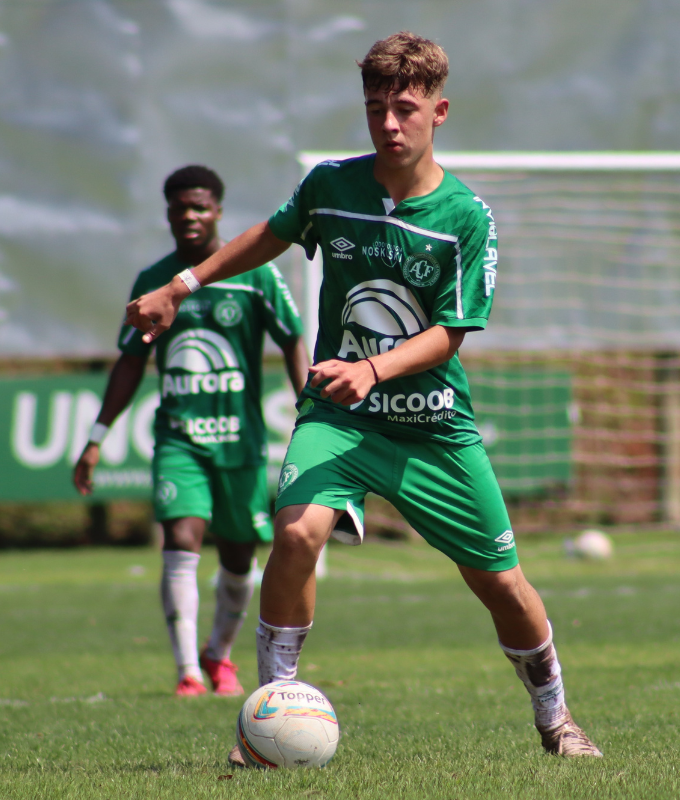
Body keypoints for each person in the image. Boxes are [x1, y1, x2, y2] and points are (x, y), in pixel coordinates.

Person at [125, 33, 602, 759]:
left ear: (439, 112)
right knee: (293, 535)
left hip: (433, 428)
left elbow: (452, 332)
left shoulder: (466, 218)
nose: (388, 123)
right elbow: (269, 235)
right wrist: (179, 285)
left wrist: (374, 371)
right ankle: (267, 716)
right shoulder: (331, 186)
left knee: (502, 583)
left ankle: (557, 719)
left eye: (405, 108)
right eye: (376, 107)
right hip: (339, 420)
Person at [74, 165, 309, 697]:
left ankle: (217, 655)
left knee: (239, 555)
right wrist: (95, 438)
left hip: (241, 442)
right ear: (168, 214)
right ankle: (186, 670)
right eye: (180, 207)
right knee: (181, 537)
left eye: (200, 207)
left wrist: (308, 406)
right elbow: (130, 362)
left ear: (218, 211)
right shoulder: (152, 283)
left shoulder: (255, 275)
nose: (189, 216)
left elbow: (293, 337)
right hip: (180, 439)